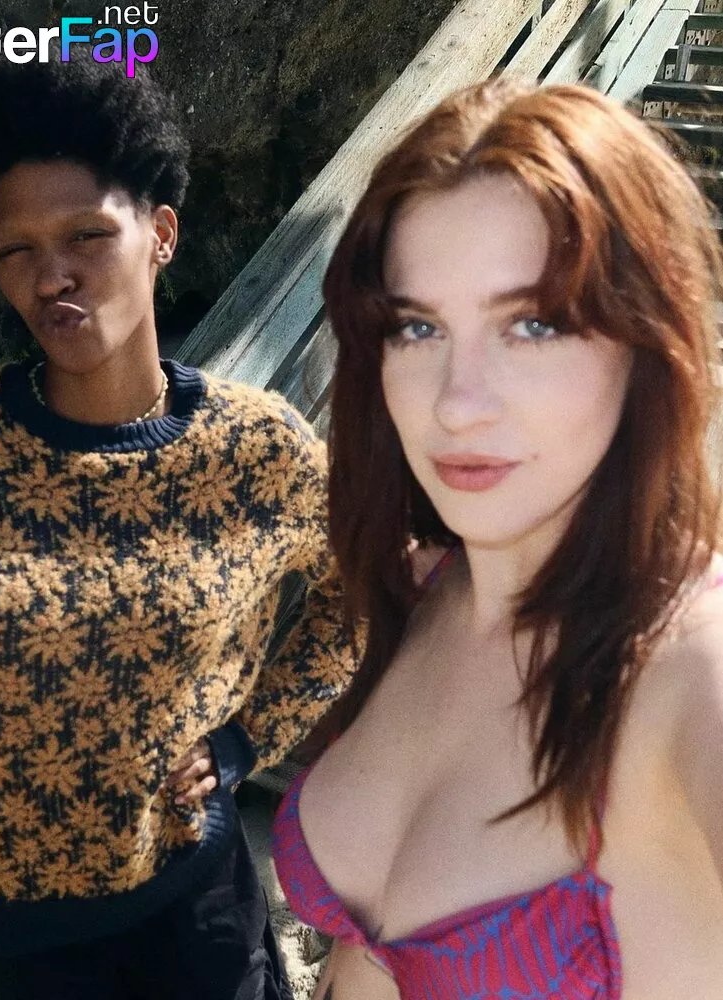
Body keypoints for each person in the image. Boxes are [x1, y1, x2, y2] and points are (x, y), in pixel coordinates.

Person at [0, 54, 356, 1000]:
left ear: (160, 234)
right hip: (20, 933)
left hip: (198, 899)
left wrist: (247, 741)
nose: (52, 275)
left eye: (86, 234)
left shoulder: (258, 450)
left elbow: (356, 590)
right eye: (15, 251)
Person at [272, 78, 723, 1000]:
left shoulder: (690, 670)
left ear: (648, 339)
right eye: (416, 327)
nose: (457, 403)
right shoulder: (427, 588)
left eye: (532, 324)